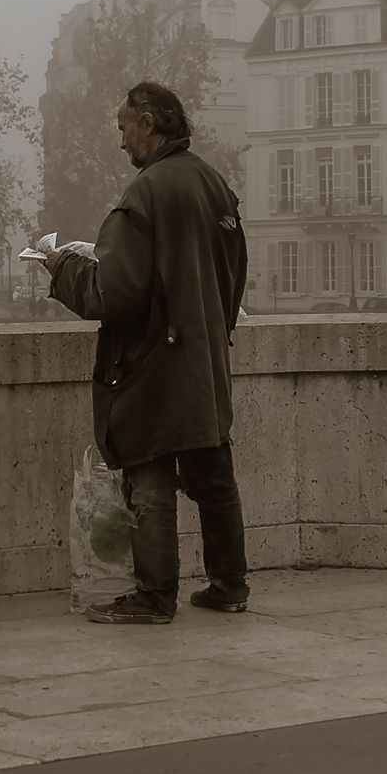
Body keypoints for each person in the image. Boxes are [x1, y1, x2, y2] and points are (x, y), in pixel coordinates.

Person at [44, 80, 251, 625]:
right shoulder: (213, 184)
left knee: (149, 475)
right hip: (205, 356)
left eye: (123, 128)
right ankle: (230, 585)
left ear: (148, 124)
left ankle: (155, 597)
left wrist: (63, 268)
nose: (121, 141)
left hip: (154, 365)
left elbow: (113, 292)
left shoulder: (146, 193)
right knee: (214, 472)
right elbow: (233, 274)